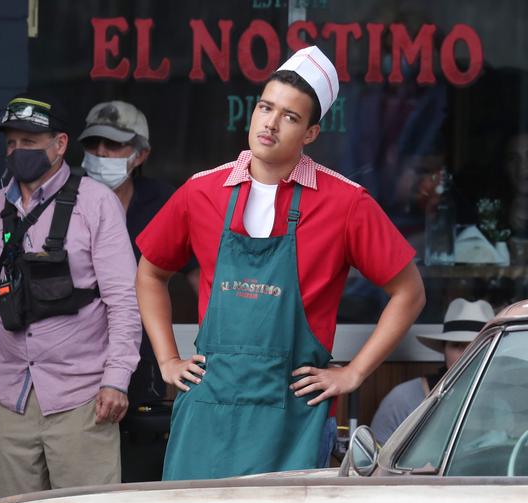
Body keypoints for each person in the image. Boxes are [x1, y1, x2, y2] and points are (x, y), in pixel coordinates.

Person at [137, 46, 426, 480]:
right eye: (265, 108)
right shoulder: (202, 192)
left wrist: (354, 373)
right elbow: (150, 273)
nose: (270, 123)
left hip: (292, 419)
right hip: (208, 410)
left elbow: (409, 292)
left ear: (311, 133)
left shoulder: (346, 203)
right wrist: (167, 360)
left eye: (290, 116)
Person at [0, 94, 140, 502]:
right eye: (11, 144)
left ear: (60, 144)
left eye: (29, 143)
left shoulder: (96, 203)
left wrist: (116, 380)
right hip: (6, 397)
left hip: (85, 400)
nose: (17, 152)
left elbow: (123, 300)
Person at [78, 100, 174, 409]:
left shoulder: (162, 202)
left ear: (141, 154)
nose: (102, 152)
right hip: (75, 359)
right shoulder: (63, 200)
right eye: (93, 144)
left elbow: (200, 276)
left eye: (114, 144)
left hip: (142, 356)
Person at [371, 298, 493, 443]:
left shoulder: (504, 401)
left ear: (493, 351)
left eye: (477, 346)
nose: (467, 355)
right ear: (443, 348)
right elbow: (375, 461)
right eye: (458, 345)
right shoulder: (403, 399)